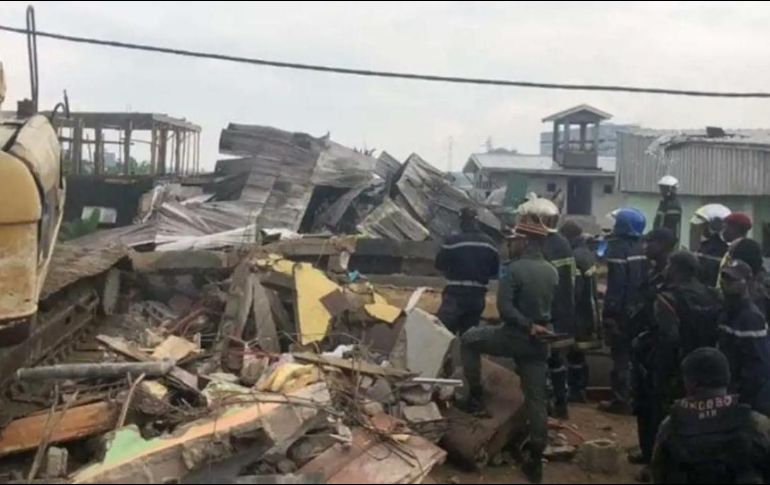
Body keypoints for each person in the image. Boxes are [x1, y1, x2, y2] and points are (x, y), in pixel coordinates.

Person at [461, 221, 557, 484]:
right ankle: (535, 458)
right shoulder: (551, 271)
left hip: (515, 336)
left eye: (513, 240)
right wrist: (542, 328)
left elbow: (505, 308)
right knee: (537, 400)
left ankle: (475, 396)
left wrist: (527, 325)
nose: (509, 244)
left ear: (524, 242)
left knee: (469, 339)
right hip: (540, 341)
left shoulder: (512, 270)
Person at [634, 250, 722, 477]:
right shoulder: (711, 294)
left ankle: (654, 463)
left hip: (673, 365)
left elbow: (669, 338)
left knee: (659, 412)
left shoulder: (667, 298)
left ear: (676, 269)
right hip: (704, 362)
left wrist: (658, 370)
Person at [651, 347, 770, 484]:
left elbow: (659, 474)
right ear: (727, 378)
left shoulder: (672, 425)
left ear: (691, 384)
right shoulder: (756, 423)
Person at [600, 208, 648, 415]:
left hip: (621, 312)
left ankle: (620, 400)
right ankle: (635, 397)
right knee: (636, 357)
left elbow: (616, 285)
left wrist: (609, 313)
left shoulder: (617, 249)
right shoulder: (642, 248)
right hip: (639, 310)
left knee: (620, 356)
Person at [435, 207, 500, 335]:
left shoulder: (452, 242)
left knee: (442, 334)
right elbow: (494, 271)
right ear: (477, 222)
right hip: (477, 297)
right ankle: (466, 355)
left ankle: (446, 355)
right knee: (469, 337)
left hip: (454, 295)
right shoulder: (490, 244)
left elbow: (439, 265)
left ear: (461, 222)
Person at [718, 260, 770, 417]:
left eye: (733, 280)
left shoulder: (750, 317)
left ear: (747, 282)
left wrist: (739, 396)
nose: (726, 283)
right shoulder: (728, 310)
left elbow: (757, 366)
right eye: (725, 278)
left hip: (747, 400)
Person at [559, 221, 600, 404]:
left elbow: (575, 289)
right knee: (579, 353)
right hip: (589, 310)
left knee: (573, 353)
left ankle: (574, 390)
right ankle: (580, 389)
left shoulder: (574, 256)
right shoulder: (588, 254)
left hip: (577, 312)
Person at [721, 212, 768, 317]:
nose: (724, 231)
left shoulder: (744, 248)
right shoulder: (748, 246)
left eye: (727, 227)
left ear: (735, 228)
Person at [691, 203, 731, 288]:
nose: (701, 229)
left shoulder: (716, 248)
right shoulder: (707, 245)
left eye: (703, 226)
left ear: (714, 225)